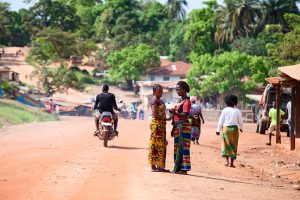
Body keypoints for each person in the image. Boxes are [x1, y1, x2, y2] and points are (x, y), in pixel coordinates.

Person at [169, 81, 192, 174]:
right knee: (177, 148)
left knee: (183, 147)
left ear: (184, 89)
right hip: (178, 126)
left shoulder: (187, 102)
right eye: (176, 89)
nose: (177, 91)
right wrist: (173, 128)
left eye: (179, 89)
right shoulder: (179, 101)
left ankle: (184, 169)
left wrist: (174, 113)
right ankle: (178, 167)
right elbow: (175, 117)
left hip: (184, 126)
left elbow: (185, 115)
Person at [216, 94, 243, 168]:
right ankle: (231, 163)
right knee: (234, 145)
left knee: (226, 144)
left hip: (226, 129)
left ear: (226, 102)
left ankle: (226, 161)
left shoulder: (225, 110)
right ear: (235, 102)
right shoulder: (238, 111)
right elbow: (240, 121)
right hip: (234, 129)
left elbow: (220, 121)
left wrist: (218, 130)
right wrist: (241, 128)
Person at [148, 84, 170, 172]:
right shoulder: (154, 101)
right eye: (159, 91)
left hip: (162, 126)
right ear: (154, 92)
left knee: (161, 145)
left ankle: (160, 166)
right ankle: (153, 167)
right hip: (156, 126)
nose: (161, 92)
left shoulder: (160, 101)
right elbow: (155, 115)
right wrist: (166, 118)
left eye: (161, 91)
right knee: (155, 145)